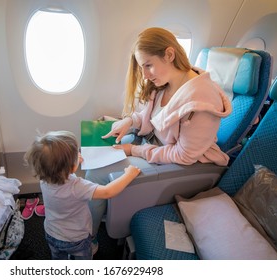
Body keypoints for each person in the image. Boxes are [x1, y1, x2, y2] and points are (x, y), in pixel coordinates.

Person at [86, 27, 232, 247]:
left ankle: (87, 239)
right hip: (153, 147)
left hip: (176, 164)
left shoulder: (201, 101)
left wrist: (134, 150)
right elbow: (152, 116)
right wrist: (130, 121)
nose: (145, 75)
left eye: (148, 65)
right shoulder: (166, 83)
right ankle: (102, 209)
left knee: (95, 172)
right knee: (98, 143)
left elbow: (184, 156)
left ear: (169, 55)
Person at [24, 130, 141, 260]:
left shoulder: (44, 179)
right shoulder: (78, 186)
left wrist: (72, 163)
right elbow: (108, 191)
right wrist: (129, 175)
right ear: (72, 167)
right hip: (76, 238)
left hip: (51, 232)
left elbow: (57, 168)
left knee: (58, 257)